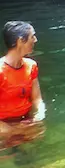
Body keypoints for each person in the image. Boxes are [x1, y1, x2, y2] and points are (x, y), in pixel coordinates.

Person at [0, 21, 46, 151]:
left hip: (25, 121)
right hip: (3, 126)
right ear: (20, 41)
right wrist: (12, 130)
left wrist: (38, 117)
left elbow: (37, 99)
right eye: (32, 36)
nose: (35, 40)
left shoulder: (31, 66)